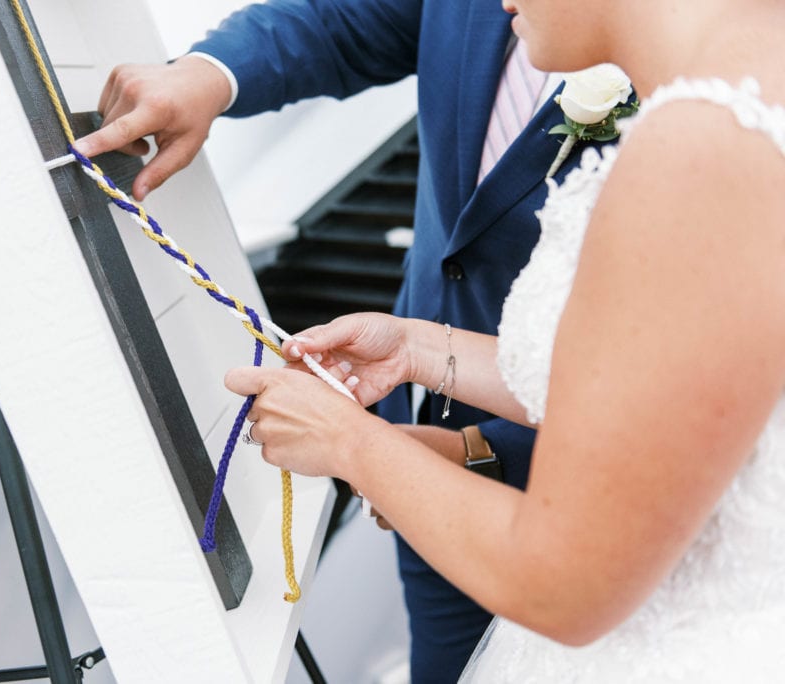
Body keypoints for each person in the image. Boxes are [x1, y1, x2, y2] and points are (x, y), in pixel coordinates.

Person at [222, 0, 785, 679]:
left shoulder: (698, 152)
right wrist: (417, 351)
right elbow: (679, 383)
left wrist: (349, 441)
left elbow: (565, 583)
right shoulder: (753, 88)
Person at [73, 1, 614, 678]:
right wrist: (207, 75)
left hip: (600, 526)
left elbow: (668, 408)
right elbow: (349, 19)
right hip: (430, 444)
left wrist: (379, 448)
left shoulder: (711, 130)